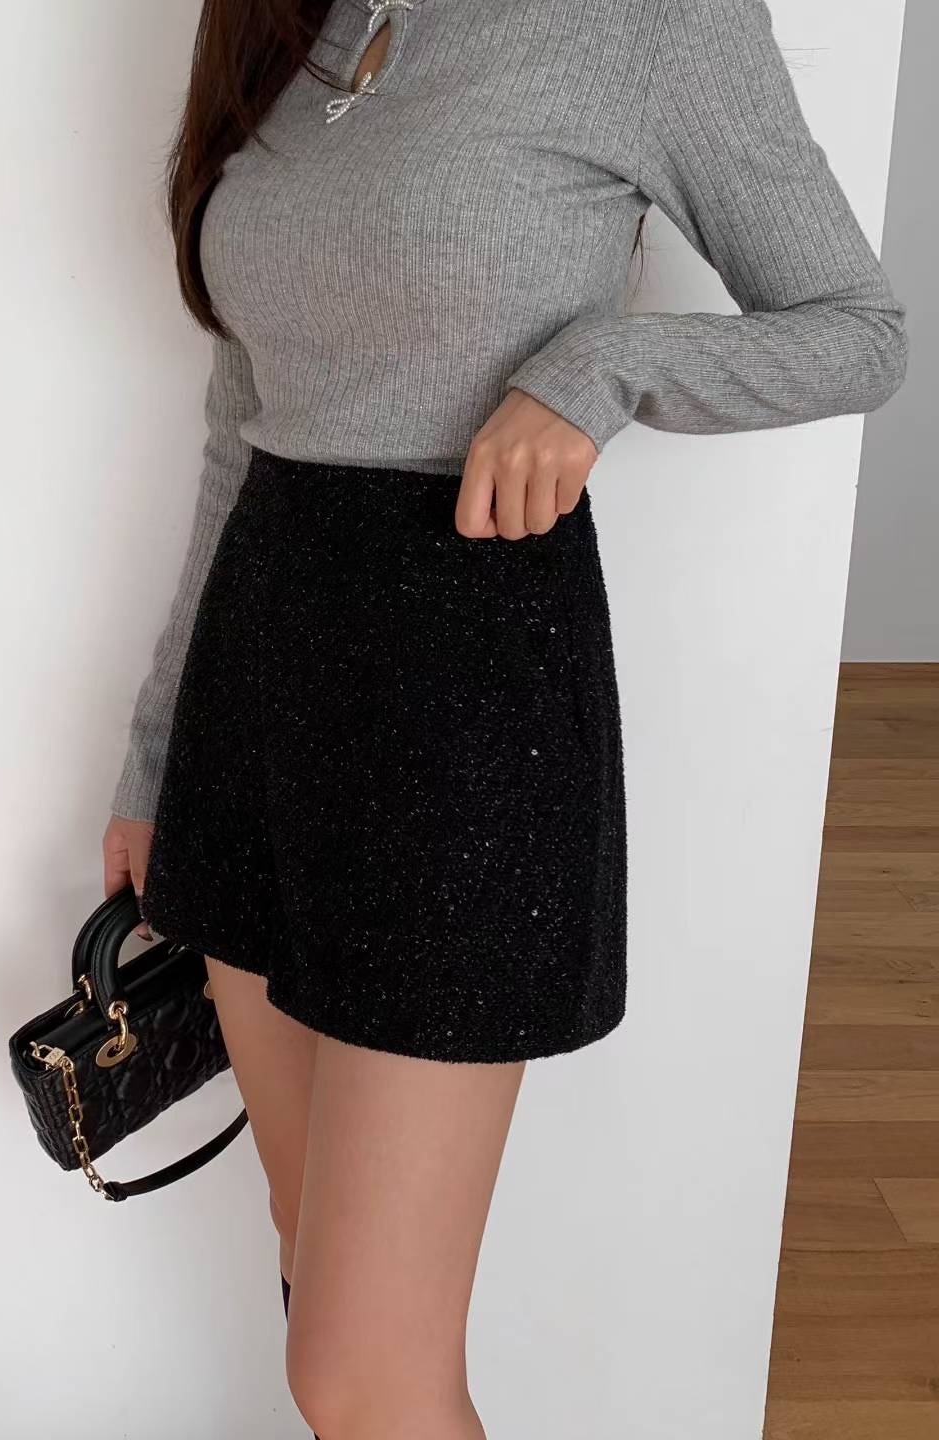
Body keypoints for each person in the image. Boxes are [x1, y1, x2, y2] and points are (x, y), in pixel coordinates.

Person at [102, 2, 908, 1435]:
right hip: (257, 696)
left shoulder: (652, 22)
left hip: (468, 707)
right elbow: (239, 423)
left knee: (360, 1371)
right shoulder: (283, 22)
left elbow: (860, 334)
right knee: (313, 1276)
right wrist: (157, 755)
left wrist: (601, 370)